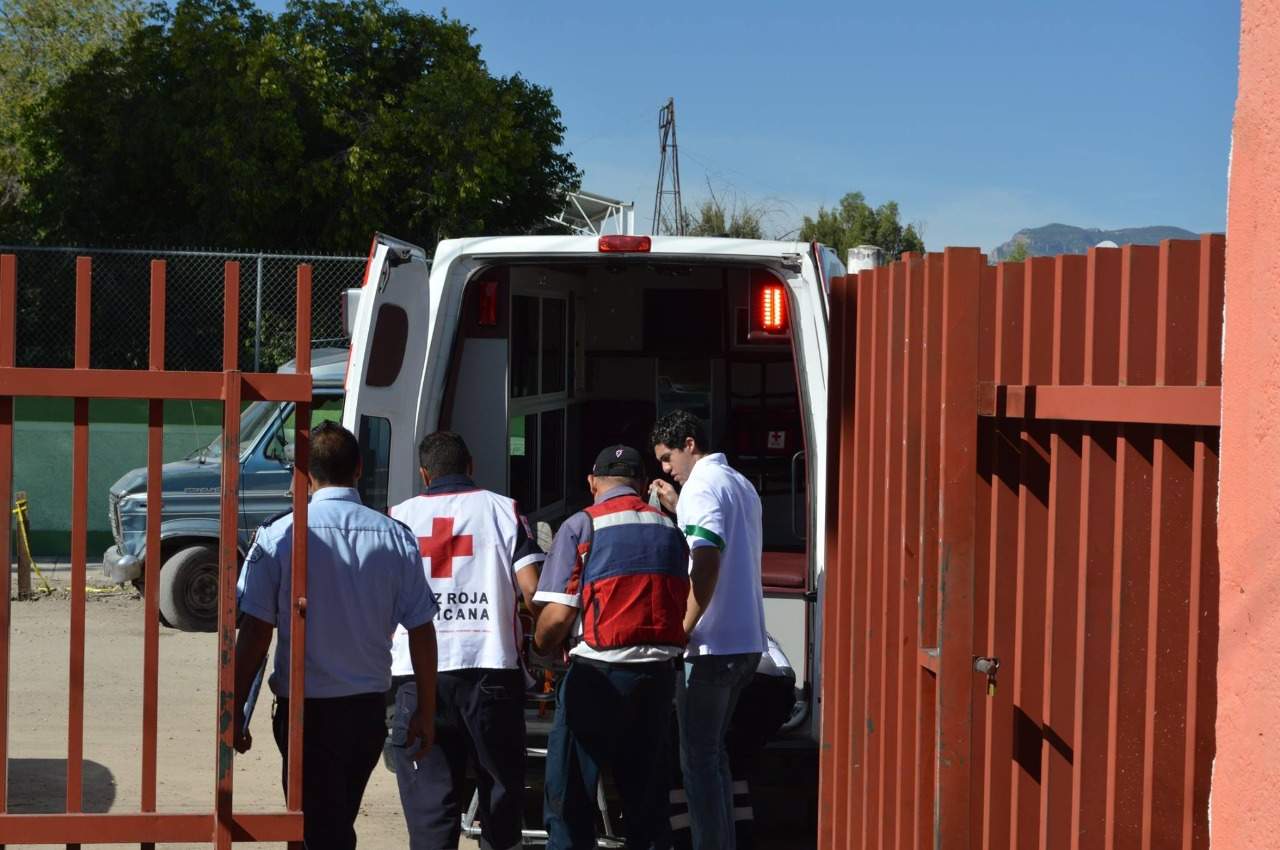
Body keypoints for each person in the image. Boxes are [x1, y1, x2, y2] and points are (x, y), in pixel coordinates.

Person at [233, 421, 440, 850]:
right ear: (360, 469)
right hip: (365, 713)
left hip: (304, 713)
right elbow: (421, 629)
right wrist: (426, 707)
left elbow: (256, 631)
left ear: (304, 473)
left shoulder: (280, 535)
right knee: (331, 820)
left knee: (315, 827)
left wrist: (234, 708)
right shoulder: (395, 537)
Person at [386, 431, 545, 850]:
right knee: (500, 794)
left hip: (417, 676)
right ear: (471, 465)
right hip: (489, 672)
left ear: (424, 473)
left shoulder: (398, 517)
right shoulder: (503, 510)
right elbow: (532, 589)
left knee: (430, 809)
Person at [533, 445, 690, 850]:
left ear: (592, 482)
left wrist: (539, 647)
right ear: (641, 484)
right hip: (657, 680)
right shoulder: (670, 528)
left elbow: (556, 616)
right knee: (647, 797)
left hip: (598, 676)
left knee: (569, 791)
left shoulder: (582, 525)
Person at [649, 410, 767, 850]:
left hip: (710, 647)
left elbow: (707, 558)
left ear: (690, 444)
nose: (665, 470)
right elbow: (723, 539)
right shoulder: (738, 483)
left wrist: (681, 628)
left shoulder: (700, 486)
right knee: (714, 756)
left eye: (667, 458)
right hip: (747, 642)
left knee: (698, 761)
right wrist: (681, 510)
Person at [669, 634, 798, 850]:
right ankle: (742, 840)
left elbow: (685, 673)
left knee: (681, 762)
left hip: (735, 672)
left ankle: (685, 841)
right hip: (777, 685)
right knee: (731, 764)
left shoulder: (697, 620)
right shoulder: (745, 621)